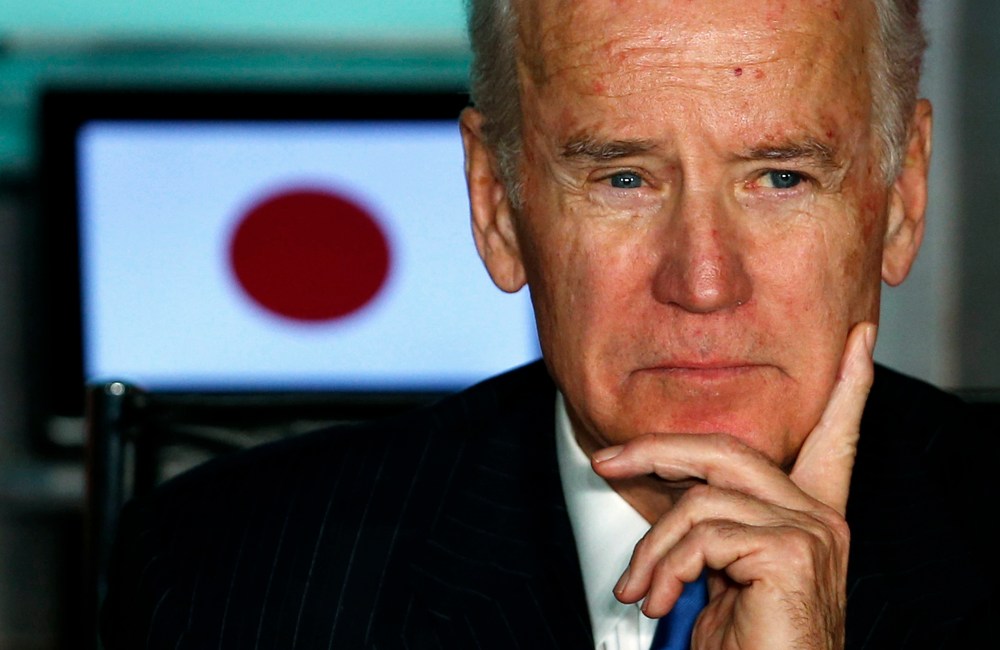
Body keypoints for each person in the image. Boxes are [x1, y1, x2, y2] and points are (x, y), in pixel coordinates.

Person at [99, 0, 997, 648]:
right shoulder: (225, 578)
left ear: (902, 197)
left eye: (781, 178)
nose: (704, 282)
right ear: (497, 208)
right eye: (623, 179)